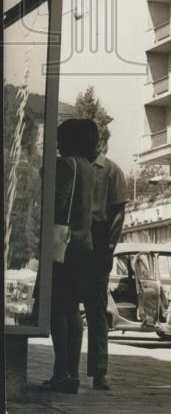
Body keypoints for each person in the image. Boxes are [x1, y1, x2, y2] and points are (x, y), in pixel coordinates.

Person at [42, 120, 95, 394]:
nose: (58, 144)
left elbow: (57, 204)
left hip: (62, 245)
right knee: (73, 309)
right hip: (84, 245)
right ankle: (70, 373)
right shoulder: (89, 167)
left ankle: (61, 370)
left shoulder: (65, 166)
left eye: (61, 139)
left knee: (55, 309)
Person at [77, 119, 128, 391]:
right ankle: (66, 370)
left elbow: (119, 212)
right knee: (70, 305)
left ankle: (99, 372)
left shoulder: (110, 171)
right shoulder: (77, 166)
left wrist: (109, 246)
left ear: (96, 142)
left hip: (98, 239)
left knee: (96, 308)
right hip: (77, 236)